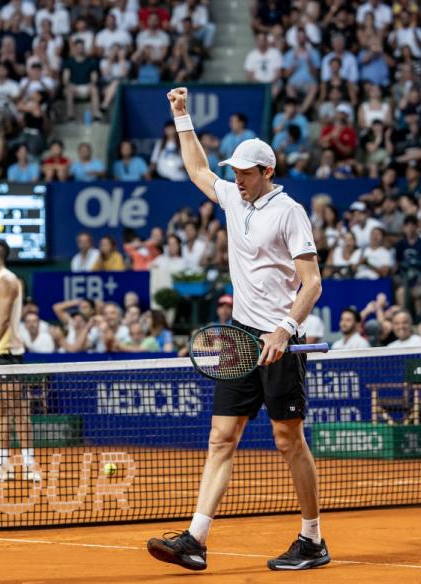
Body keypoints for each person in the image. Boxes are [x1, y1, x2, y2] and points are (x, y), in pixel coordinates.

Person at [147, 87, 328, 572]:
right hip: (241, 339)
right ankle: (195, 539)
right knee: (221, 437)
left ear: (267, 171)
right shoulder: (232, 197)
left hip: (279, 342)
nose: (237, 180)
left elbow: (312, 283)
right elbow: (197, 170)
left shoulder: (290, 213)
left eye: (245, 173)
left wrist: (285, 330)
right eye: (235, 172)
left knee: (288, 440)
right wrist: (181, 116)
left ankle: (312, 539)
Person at [0, 240, 40, 482]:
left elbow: (3, 321)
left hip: (7, 354)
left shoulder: (7, 280)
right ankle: (2, 465)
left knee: (19, 411)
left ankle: (29, 466)